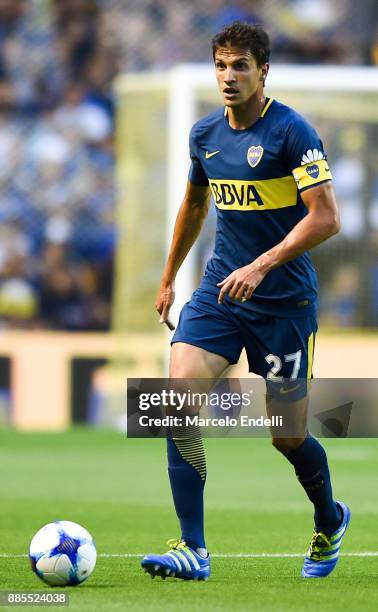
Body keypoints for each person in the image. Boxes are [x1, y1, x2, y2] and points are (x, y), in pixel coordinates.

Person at [141, 21, 350, 581]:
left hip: (283, 301)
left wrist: (261, 265)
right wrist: (168, 280)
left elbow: (327, 218)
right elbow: (193, 205)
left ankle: (329, 519)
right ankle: (192, 548)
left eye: (240, 66)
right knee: (175, 399)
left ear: (263, 71)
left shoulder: (292, 132)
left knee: (287, 434)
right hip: (219, 292)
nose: (228, 77)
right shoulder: (205, 134)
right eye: (221, 65)